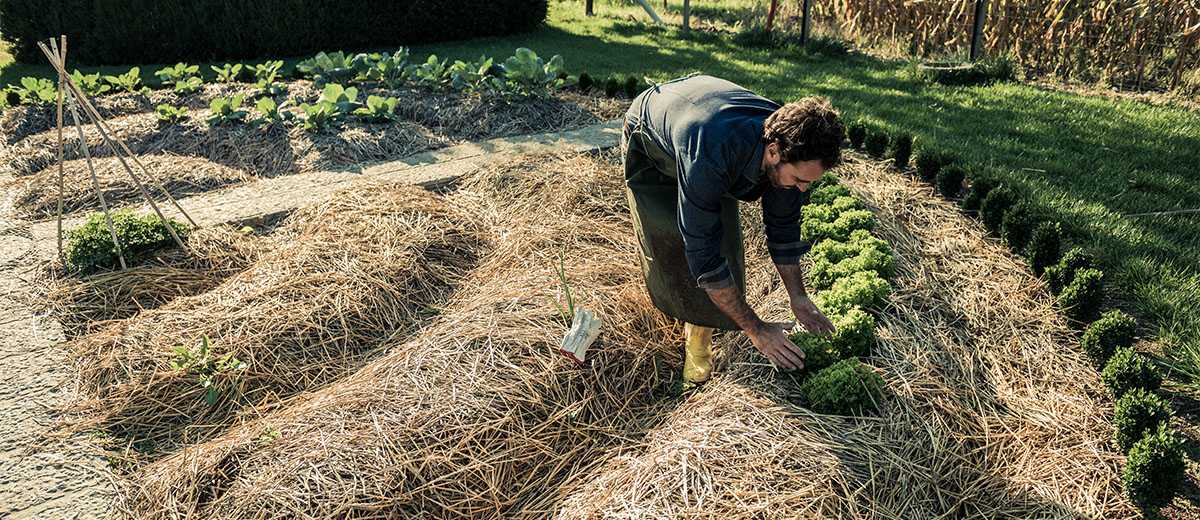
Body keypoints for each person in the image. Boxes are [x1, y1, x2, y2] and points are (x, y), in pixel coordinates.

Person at [621, 74, 846, 383]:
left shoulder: (791, 143)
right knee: (674, 239)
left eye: (809, 182)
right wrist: (757, 330)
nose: (803, 189)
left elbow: (783, 228)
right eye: (799, 179)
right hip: (652, 138)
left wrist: (799, 297)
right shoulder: (711, 153)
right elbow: (704, 255)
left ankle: (702, 320)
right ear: (773, 151)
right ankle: (693, 335)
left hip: (706, 120)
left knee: (724, 239)